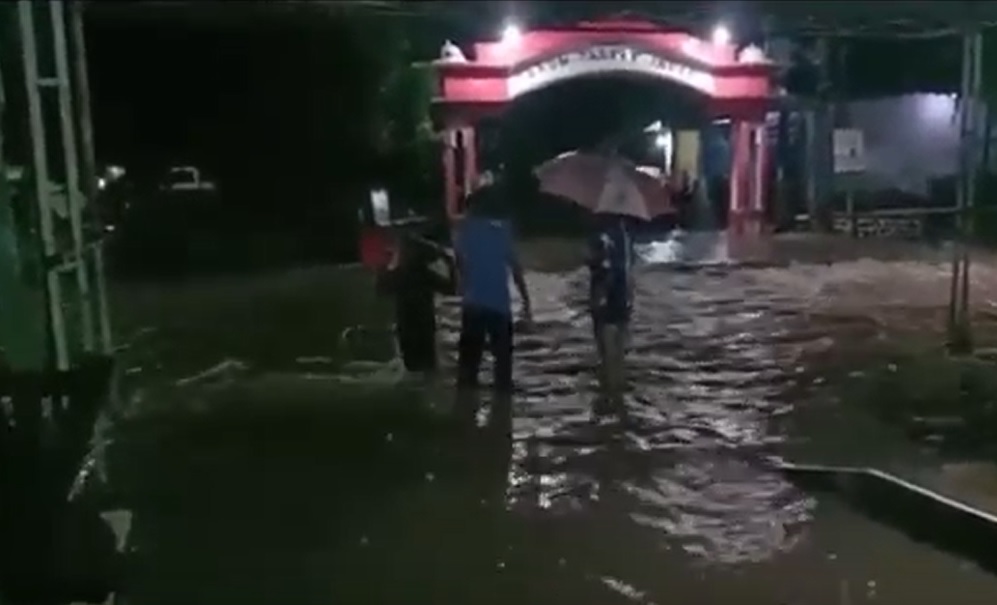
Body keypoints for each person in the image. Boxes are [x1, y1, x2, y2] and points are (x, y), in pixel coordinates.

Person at [454, 170, 533, 393]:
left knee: (468, 368)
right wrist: (527, 302)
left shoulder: (466, 229)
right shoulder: (504, 230)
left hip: (473, 305)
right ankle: (502, 416)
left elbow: (460, 264)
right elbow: (516, 269)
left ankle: (465, 414)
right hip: (500, 306)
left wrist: (462, 282)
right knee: (503, 370)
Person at [381, 227, 455, 374]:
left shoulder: (399, 275)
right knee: (428, 370)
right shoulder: (426, 275)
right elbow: (451, 289)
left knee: (412, 371)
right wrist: (450, 264)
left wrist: (387, 264)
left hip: (406, 328)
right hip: (424, 329)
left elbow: (381, 290)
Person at [587, 212, 635, 401]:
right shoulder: (625, 235)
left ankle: (608, 394)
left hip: (604, 303)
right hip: (622, 299)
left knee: (606, 354)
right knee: (618, 354)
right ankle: (618, 398)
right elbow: (629, 271)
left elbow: (602, 268)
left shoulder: (599, 236)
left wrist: (597, 299)